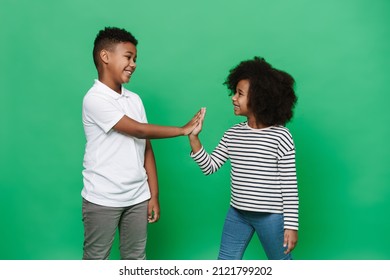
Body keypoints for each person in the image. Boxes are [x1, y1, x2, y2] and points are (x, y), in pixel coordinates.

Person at [81, 26, 201, 260]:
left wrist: (153, 194)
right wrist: (182, 130)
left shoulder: (134, 99)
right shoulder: (94, 99)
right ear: (105, 57)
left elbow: (145, 146)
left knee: (136, 259)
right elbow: (137, 129)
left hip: (137, 196)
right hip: (103, 198)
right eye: (128, 57)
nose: (134, 63)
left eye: (135, 58)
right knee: (96, 259)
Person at [188, 57, 299, 260]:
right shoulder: (233, 134)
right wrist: (194, 137)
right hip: (238, 214)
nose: (233, 98)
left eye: (240, 94)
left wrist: (291, 226)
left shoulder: (281, 137)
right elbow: (210, 166)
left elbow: (289, 186)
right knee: (225, 264)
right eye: (234, 92)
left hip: (271, 217)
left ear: (259, 99)